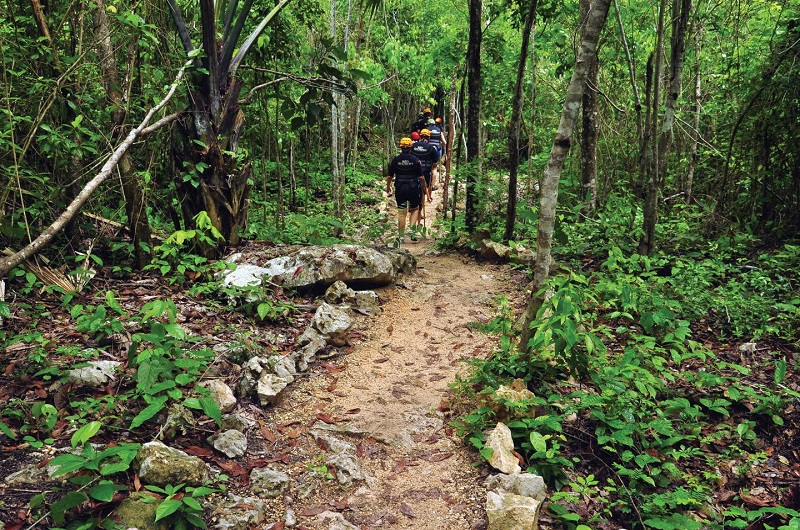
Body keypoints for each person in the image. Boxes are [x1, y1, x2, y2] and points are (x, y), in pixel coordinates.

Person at [386, 137, 426, 242]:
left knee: (401, 211)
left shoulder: (395, 160)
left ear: (400, 147)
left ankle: (401, 236)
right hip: (413, 187)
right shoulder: (416, 160)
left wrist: (388, 187)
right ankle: (412, 231)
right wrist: (423, 186)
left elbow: (389, 176)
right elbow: (421, 177)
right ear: (410, 147)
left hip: (400, 187)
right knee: (415, 209)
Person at [411, 128, 440, 203]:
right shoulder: (431, 148)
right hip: (426, 171)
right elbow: (435, 162)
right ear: (429, 137)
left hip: (414, 171)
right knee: (428, 184)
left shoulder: (413, 146)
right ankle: (429, 196)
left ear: (420, 137)